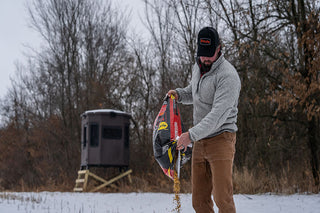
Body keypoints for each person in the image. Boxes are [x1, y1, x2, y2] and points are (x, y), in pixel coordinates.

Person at [167, 27, 241, 213]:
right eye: (202, 54)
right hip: (200, 139)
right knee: (199, 201)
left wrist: (190, 135)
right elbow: (195, 92)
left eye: (209, 55)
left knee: (222, 198)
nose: (205, 59)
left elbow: (217, 116)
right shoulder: (198, 67)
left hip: (221, 138)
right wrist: (179, 94)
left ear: (219, 49)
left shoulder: (228, 76)